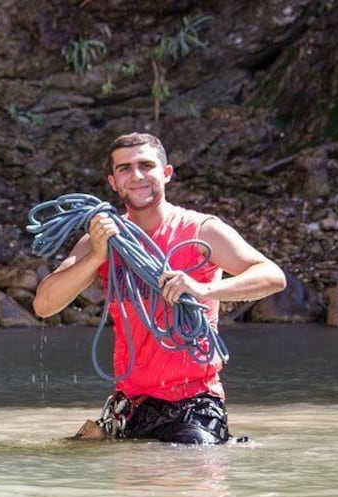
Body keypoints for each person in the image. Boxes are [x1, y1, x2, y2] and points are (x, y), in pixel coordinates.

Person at [33, 132, 287, 444]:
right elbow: (44, 305)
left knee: (180, 466)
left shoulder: (200, 230)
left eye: (146, 165)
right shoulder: (102, 239)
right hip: (130, 406)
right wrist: (97, 255)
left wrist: (203, 289)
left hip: (194, 403)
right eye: (125, 169)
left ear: (166, 174)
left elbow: (272, 276)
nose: (136, 176)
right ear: (113, 182)